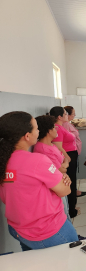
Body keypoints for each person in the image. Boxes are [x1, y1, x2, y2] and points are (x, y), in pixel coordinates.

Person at [0, 111, 78, 251]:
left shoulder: (3, 162)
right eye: (36, 128)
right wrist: (63, 179)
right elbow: (65, 190)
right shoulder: (36, 160)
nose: (38, 131)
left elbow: (10, 196)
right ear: (27, 135)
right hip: (48, 230)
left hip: (19, 230)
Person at [34, 115, 71, 220]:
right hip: (56, 186)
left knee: (66, 211)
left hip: (62, 182)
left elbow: (64, 159)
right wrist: (65, 164)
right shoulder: (43, 149)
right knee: (63, 214)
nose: (56, 130)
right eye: (54, 128)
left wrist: (65, 163)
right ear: (49, 131)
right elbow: (62, 169)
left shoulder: (52, 145)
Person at [50, 106, 79, 218]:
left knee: (72, 180)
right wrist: (67, 158)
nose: (67, 116)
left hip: (70, 155)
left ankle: (72, 206)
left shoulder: (61, 127)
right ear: (59, 117)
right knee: (70, 181)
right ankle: (71, 210)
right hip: (68, 157)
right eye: (65, 114)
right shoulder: (57, 128)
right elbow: (58, 147)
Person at [63, 106, 86, 198]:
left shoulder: (68, 124)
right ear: (66, 115)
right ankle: (72, 194)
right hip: (69, 153)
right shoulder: (64, 125)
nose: (74, 115)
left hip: (73, 151)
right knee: (71, 174)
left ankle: (74, 191)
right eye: (73, 114)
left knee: (72, 174)